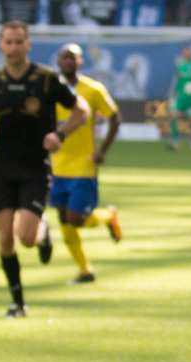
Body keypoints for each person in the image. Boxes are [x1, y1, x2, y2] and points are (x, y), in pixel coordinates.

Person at [0, 20, 89, 317]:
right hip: (1, 168)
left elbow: (81, 110)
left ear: (28, 45)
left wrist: (59, 134)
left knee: (26, 238)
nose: (14, 48)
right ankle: (18, 302)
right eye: (8, 42)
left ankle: (43, 232)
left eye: (19, 42)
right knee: (6, 238)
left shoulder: (46, 80)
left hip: (34, 168)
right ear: (1, 45)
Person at [50, 43, 123, 285]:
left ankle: (108, 216)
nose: (68, 61)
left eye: (73, 58)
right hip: (56, 165)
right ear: (58, 62)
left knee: (76, 218)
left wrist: (102, 150)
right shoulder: (50, 90)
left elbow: (115, 117)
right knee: (63, 219)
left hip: (83, 164)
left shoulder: (93, 89)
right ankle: (85, 271)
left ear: (81, 62)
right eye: (64, 57)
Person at [169, 45, 191, 151]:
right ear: (183, 53)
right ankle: (175, 141)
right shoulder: (180, 65)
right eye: (185, 51)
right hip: (181, 97)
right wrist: (175, 94)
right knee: (174, 116)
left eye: (189, 51)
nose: (187, 53)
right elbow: (178, 81)